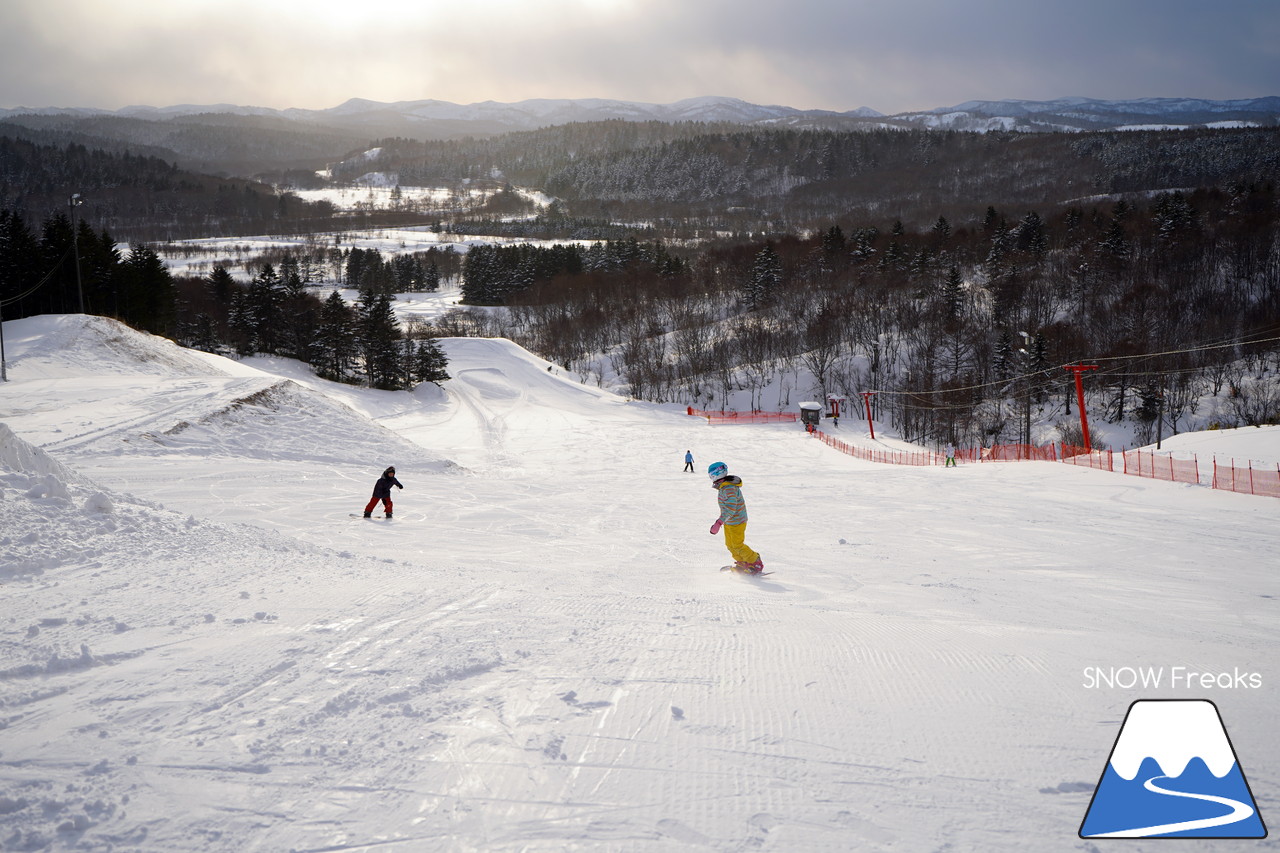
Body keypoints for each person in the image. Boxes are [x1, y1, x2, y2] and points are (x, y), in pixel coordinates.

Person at [707, 461, 764, 573]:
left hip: (737, 521)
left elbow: (731, 509)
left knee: (737, 545)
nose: (711, 478)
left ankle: (755, 561)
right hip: (729, 521)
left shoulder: (729, 488)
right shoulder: (724, 487)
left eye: (711, 476)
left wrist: (719, 523)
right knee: (730, 545)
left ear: (717, 474)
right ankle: (743, 562)